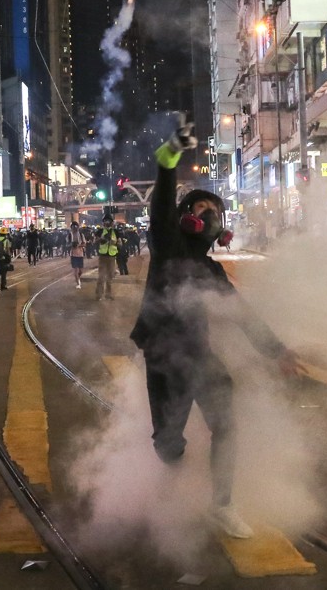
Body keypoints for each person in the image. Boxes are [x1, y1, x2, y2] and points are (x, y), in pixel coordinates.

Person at [128, 118, 307, 539]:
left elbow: (242, 314)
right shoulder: (167, 245)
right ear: (185, 219)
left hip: (199, 355)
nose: (209, 217)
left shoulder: (211, 270)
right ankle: (171, 475)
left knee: (226, 425)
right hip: (164, 359)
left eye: (216, 213)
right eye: (201, 210)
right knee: (169, 446)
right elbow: (163, 199)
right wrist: (169, 154)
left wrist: (277, 350)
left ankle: (222, 505)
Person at [95, 214, 121, 301]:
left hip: (112, 257)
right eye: (105, 221)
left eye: (109, 221)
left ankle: (108, 294)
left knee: (110, 277)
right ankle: (99, 294)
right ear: (103, 222)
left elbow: (120, 244)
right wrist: (102, 239)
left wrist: (114, 242)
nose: (107, 222)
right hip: (102, 257)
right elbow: (95, 241)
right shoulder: (100, 231)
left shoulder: (116, 232)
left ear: (112, 222)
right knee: (101, 277)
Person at [68, 220, 86, 289]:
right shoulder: (69, 235)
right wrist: (71, 245)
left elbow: (84, 244)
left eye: (75, 227)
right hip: (73, 255)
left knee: (81, 271)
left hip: (80, 254)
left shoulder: (81, 235)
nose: (74, 228)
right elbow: (66, 244)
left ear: (78, 227)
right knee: (75, 270)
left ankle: (78, 278)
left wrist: (78, 245)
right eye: (73, 227)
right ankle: (78, 283)